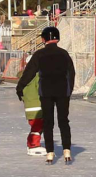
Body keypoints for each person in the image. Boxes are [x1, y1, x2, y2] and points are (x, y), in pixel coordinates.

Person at [15, 25, 75, 164]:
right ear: (58, 38)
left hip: (46, 92)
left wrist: (20, 87)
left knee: (48, 122)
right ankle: (67, 150)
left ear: (43, 39)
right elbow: (71, 74)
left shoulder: (39, 55)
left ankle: (50, 152)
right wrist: (69, 90)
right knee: (63, 121)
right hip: (62, 92)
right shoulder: (64, 54)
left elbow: (28, 73)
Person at [20, 72, 45, 154]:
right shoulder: (37, 76)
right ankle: (33, 145)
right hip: (38, 105)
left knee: (36, 125)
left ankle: (31, 143)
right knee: (38, 126)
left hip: (29, 106)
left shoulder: (24, 77)